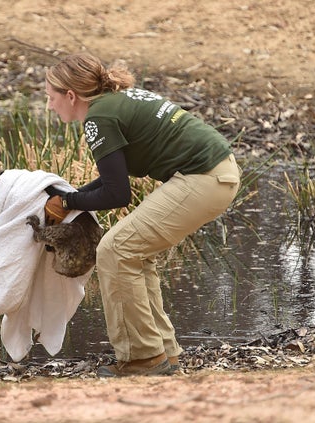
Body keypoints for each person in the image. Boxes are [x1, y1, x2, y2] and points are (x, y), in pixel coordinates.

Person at [42, 53, 240, 377]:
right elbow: (113, 180)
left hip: (204, 177)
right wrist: (70, 199)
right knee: (134, 254)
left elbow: (118, 194)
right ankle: (163, 354)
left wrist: (67, 203)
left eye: (51, 98)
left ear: (71, 96)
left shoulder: (98, 118)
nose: (50, 106)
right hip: (216, 173)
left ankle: (142, 359)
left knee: (116, 250)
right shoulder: (112, 102)